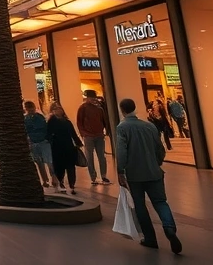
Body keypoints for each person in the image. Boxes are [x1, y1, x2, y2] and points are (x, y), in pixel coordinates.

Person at [116, 98, 182, 254]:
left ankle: (150, 238)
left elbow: (121, 151)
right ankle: (169, 227)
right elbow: (160, 148)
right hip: (154, 172)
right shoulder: (149, 126)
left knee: (140, 205)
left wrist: (120, 170)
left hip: (135, 174)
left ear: (122, 110)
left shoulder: (122, 128)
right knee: (160, 202)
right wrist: (157, 162)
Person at [76, 90, 111, 186]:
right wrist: (83, 134)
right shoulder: (82, 108)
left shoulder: (99, 108)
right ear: (87, 98)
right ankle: (93, 176)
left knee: (101, 156)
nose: (92, 99)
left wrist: (104, 131)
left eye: (93, 98)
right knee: (89, 157)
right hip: (89, 136)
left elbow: (104, 121)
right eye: (90, 98)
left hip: (98, 135)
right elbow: (79, 122)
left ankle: (103, 175)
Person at [46, 101, 82, 195]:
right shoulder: (52, 122)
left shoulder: (67, 122)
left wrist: (78, 142)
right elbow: (48, 135)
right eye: (56, 109)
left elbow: (73, 134)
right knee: (60, 167)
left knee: (70, 167)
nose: (58, 110)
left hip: (67, 147)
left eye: (59, 108)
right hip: (57, 148)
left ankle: (71, 185)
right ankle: (62, 183)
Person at [23, 100, 53, 187]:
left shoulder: (38, 117)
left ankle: (50, 179)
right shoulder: (29, 118)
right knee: (42, 162)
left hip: (40, 141)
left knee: (47, 162)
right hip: (35, 142)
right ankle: (46, 180)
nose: (30, 110)